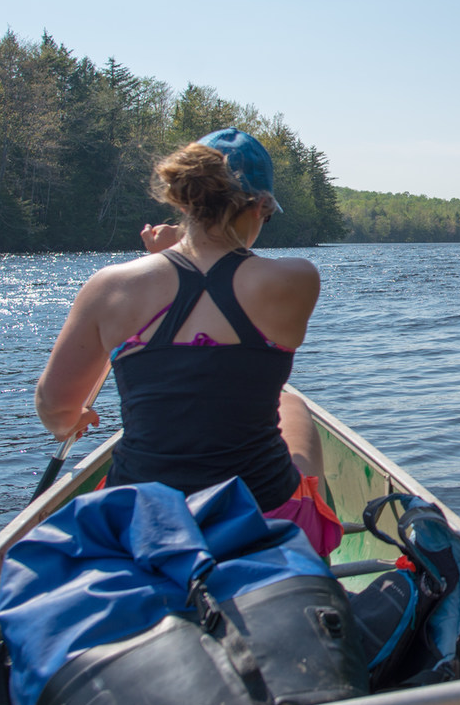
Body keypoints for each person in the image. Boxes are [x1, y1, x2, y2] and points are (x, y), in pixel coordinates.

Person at [34, 128, 342, 554]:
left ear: (182, 203)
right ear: (260, 207)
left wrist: (70, 421)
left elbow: (55, 406)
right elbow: (215, 265)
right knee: (291, 403)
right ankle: (312, 558)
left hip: (140, 522)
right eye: (267, 217)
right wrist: (177, 248)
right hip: (260, 513)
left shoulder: (111, 287)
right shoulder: (295, 279)